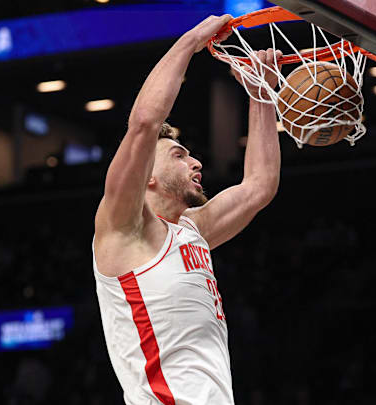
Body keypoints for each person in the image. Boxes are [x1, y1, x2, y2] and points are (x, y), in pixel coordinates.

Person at [91, 14, 282, 405]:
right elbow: (145, 122)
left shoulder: (193, 230)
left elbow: (259, 186)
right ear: (146, 176)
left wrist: (261, 92)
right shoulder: (125, 229)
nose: (196, 163)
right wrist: (190, 41)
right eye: (179, 155)